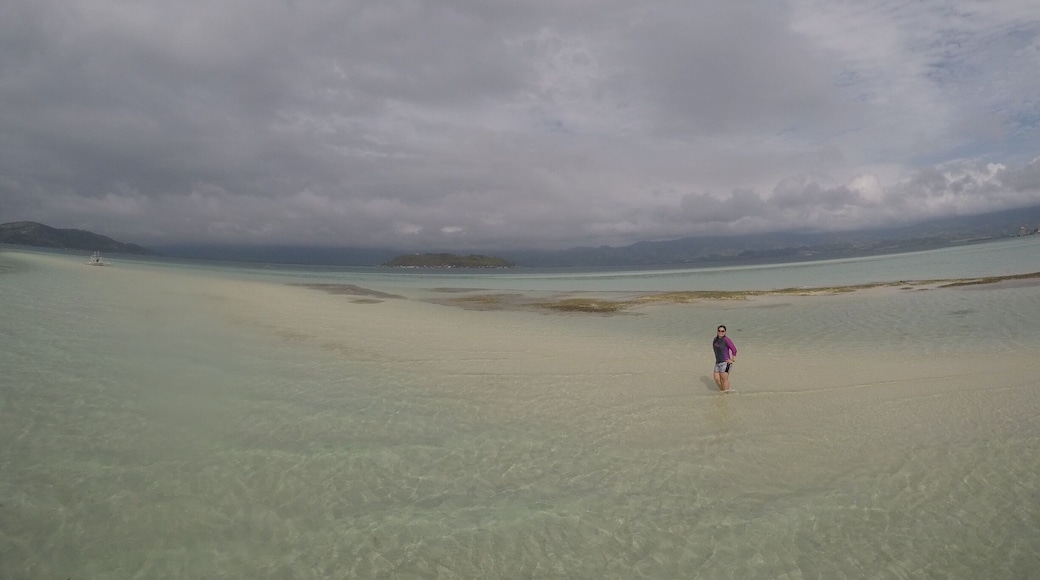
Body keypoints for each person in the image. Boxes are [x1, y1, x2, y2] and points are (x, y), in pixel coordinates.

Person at [712, 325, 737, 392]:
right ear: (717, 331)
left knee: (724, 380)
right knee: (717, 379)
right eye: (719, 331)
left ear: (725, 332)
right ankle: (723, 391)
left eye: (722, 331)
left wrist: (732, 359)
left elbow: (734, 349)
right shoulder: (715, 339)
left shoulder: (726, 340)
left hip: (726, 363)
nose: (721, 332)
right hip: (718, 362)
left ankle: (726, 394)